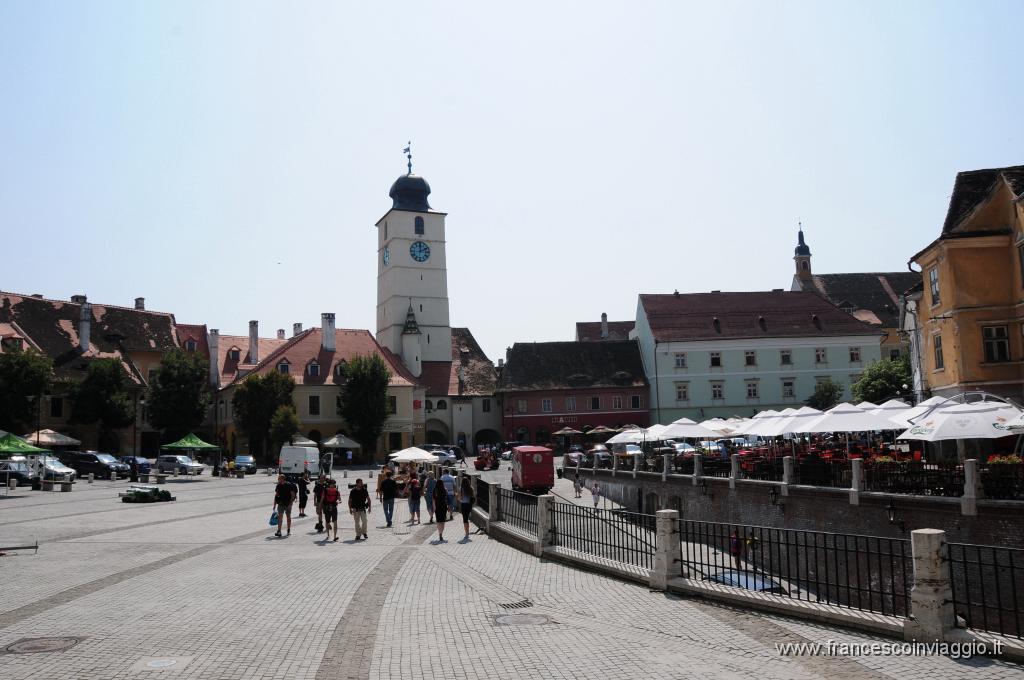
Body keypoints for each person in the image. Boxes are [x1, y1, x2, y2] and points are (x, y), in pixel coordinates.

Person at [432, 473, 450, 542]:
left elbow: (433, 500)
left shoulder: (435, 490)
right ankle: (441, 533)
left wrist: (434, 507)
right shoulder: (445, 490)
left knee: (438, 520)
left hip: (437, 506)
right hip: (444, 506)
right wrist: (448, 506)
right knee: (443, 520)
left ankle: (439, 533)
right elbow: (446, 499)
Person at [458, 475, 475, 541]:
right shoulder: (471, 488)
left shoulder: (460, 488)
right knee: (467, 516)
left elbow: (459, 498)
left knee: (465, 519)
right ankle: (467, 531)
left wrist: (460, 499)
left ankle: (467, 533)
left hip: (463, 505)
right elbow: (473, 496)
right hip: (469, 505)